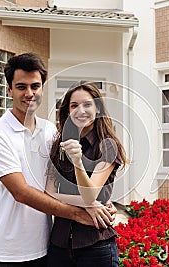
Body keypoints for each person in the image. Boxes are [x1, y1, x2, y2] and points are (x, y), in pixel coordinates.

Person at [0, 53, 115, 267]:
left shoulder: (51, 131)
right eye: (21, 87)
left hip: (46, 248)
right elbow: (21, 192)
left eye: (35, 86)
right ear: (9, 89)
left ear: (42, 88)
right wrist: (81, 212)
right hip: (7, 253)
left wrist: (98, 202)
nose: (29, 93)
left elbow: (61, 184)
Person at [46, 81, 128, 267]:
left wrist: (77, 161)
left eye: (87, 104)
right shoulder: (59, 145)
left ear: (98, 108)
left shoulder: (108, 146)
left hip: (96, 245)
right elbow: (49, 193)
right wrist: (89, 205)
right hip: (59, 245)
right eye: (74, 105)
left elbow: (89, 193)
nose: (80, 110)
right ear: (67, 111)